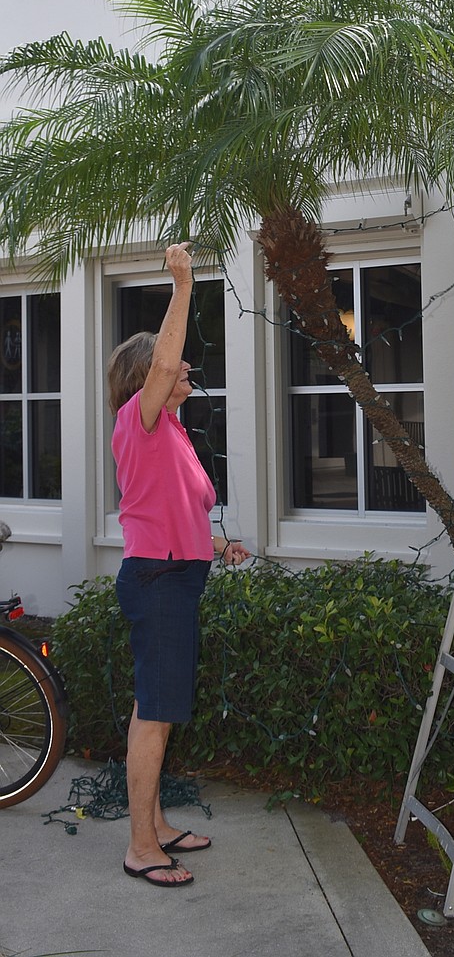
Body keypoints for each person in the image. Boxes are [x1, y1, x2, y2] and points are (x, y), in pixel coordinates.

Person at [107, 242, 250, 887]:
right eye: (171, 366)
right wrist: (184, 283)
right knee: (153, 713)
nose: (186, 365)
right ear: (149, 380)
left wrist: (216, 546)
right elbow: (167, 355)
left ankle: (157, 825)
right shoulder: (136, 421)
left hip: (177, 575)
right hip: (158, 581)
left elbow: (176, 511)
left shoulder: (172, 435)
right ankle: (141, 846)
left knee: (156, 708)